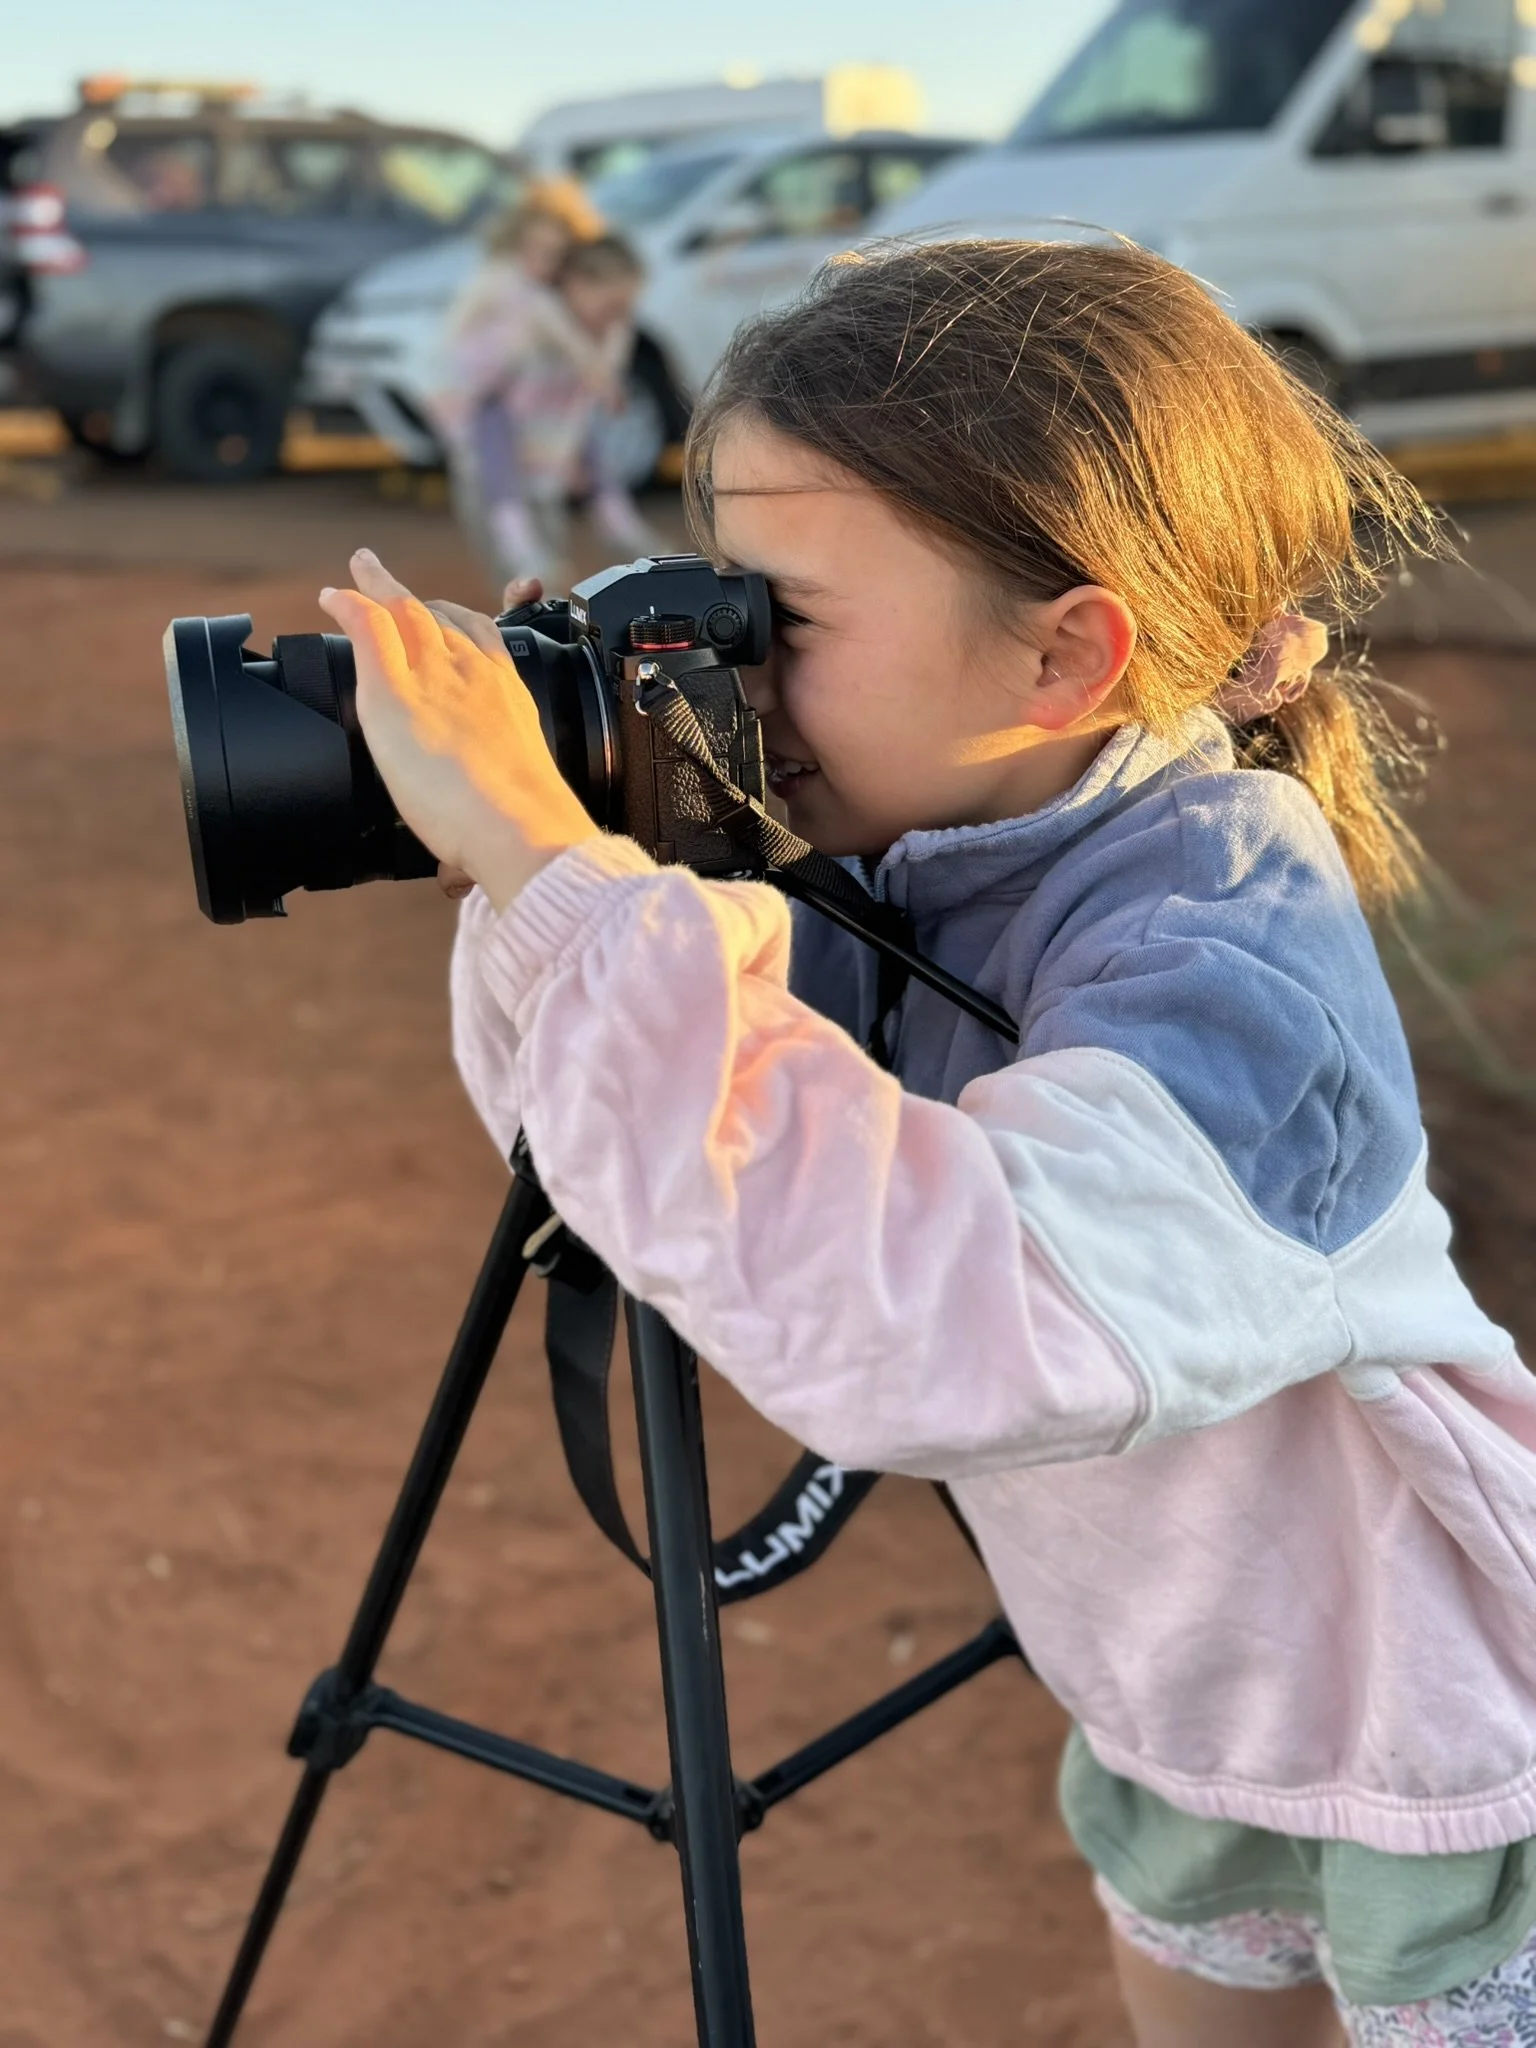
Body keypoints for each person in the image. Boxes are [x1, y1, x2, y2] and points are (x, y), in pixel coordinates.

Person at [318, 240, 1536, 2046]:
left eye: (775, 625)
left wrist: (574, 888)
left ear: (1062, 656)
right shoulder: (915, 841)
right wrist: (582, 873)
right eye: (708, 599)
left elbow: (936, 1318)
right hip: (1178, 1700)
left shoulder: (1227, 948)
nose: (723, 656)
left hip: (1430, 1734)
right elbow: (610, 1161)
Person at [435, 209, 652, 592]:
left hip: (546, 479)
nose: (616, 318)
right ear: (574, 283)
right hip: (492, 478)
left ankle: (616, 520)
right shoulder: (531, 318)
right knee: (523, 589)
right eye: (610, 307)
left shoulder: (607, 332)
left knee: (548, 588)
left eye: (624, 309)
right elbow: (466, 373)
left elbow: (587, 400)